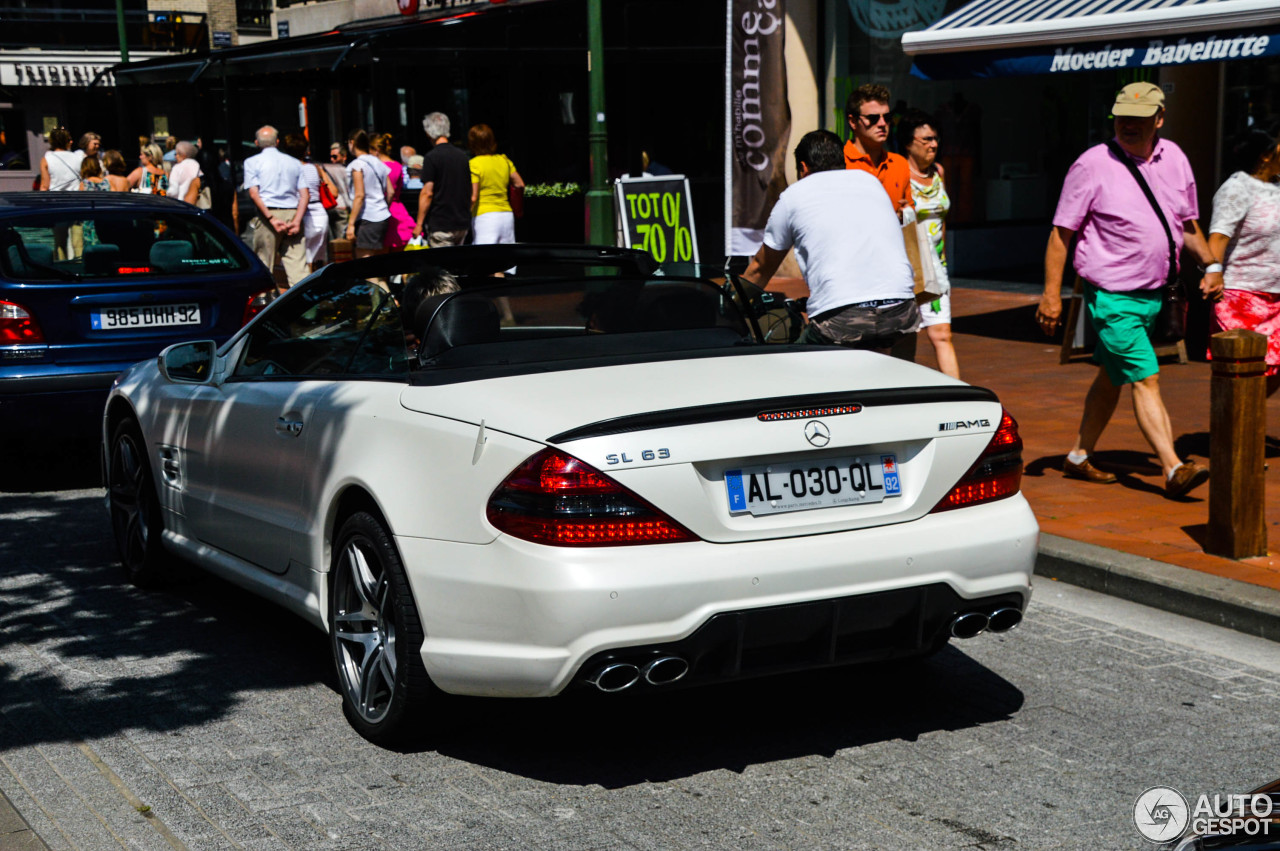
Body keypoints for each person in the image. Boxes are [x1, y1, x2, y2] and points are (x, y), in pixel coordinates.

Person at [1035, 82, 1222, 498]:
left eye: (1140, 118)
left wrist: (1210, 264)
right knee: (1145, 377)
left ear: (1159, 118)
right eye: (1122, 117)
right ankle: (1173, 468)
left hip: (1157, 294)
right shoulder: (1092, 164)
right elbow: (1060, 234)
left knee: (1111, 377)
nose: (1129, 125)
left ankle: (1079, 456)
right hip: (1112, 297)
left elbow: (1186, 224)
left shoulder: (1174, 157)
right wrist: (1051, 296)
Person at [740, 129, 918, 357]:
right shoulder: (870, 182)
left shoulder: (793, 196)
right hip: (901, 309)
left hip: (842, 318)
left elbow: (760, 269)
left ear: (803, 168)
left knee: (793, 365)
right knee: (878, 354)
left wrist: (730, 305)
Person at [1207, 128, 1280, 395]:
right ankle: (1233, 431)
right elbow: (1218, 237)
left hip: (1276, 298)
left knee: (1274, 370)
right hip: (1242, 297)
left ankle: (1245, 425)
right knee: (1243, 371)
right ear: (1265, 156)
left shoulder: (1277, 185)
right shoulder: (1236, 188)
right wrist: (1212, 272)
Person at [900, 109, 959, 379]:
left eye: (935, 138)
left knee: (942, 335)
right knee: (904, 339)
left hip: (936, 267)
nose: (933, 144)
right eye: (926, 139)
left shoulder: (939, 172)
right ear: (908, 143)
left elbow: (943, 219)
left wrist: (943, 257)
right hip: (908, 269)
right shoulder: (898, 174)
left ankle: (961, 400)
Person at [242, 125, 309, 290]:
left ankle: (267, 308)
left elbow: (254, 194)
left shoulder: (252, 162)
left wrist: (271, 218)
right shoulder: (294, 163)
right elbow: (305, 195)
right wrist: (297, 220)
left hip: (268, 214)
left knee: (264, 265)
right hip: (293, 213)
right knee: (298, 267)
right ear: (277, 142)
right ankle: (307, 310)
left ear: (256, 142)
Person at [843, 84, 913, 221]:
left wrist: (906, 215)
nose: (882, 123)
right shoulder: (838, 163)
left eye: (887, 117)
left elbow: (910, 214)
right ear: (853, 121)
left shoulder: (900, 164)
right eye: (873, 118)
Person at [413, 112, 472, 248]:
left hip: (441, 223)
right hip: (461, 222)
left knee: (444, 266)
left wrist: (419, 224)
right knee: (457, 266)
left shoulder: (431, 157)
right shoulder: (462, 156)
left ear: (428, 133)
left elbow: (427, 193)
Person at [468, 123, 524, 251]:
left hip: (485, 217)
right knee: (502, 260)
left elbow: (473, 196)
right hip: (506, 215)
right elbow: (520, 184)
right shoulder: (504, 160)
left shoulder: (474, 164)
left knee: (484, 259)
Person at [281, 132, 331, 272]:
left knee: (303, 259)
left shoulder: (290, 169)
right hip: (320, 215)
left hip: (303, 214)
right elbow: (333, 191)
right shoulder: (315, 168)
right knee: (317, 259)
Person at [344, 129, 391, 259]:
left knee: (365, 267)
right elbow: (390, 192)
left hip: (367, 217)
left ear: (352, 143)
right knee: (378, 266)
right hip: (382, 216)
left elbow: (359, 195)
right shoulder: (378, 162)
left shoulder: (357, 165)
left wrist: (351, 224)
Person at [372, 133, 414, 251]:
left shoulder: (377, 167)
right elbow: (399, 190)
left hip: (382, 208)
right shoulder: (397, 166)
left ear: (376, 150)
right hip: (398, 210)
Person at [323, 141, 352, 241]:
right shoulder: (327, 168)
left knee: (341, 241)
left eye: (335, 157)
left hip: (341, 207)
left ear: (344, 157)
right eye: (331, 157)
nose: (332, 160)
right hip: (334, 207)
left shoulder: (348, 170)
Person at [40, 127, 84, 191]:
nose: (72, 142)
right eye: (69, 139)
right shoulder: (79, 158)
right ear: (67, 141)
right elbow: (82, 183)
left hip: (55, 198)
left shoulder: (46, 160)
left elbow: (44, 186)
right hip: (75, 197)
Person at [168, 141, 202, 206]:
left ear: (183, 155)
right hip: (195, 204)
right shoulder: (197, 165)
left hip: (180, 204)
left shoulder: (177, 167)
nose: (175, 156)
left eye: (176, 154)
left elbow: (173, 191)